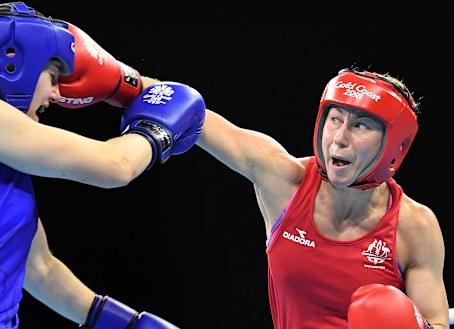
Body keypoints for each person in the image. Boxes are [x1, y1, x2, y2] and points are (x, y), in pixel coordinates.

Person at [0, 2, 206, 329]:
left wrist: (128, 324)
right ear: (14, 62)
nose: (56, 94)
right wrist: (158, 129)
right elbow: (115, 165)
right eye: (52, 76)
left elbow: (40, 269)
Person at [191, 68, 449, 328]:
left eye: (360, 125)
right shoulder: (286, 182)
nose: (339, 138)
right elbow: (188, 113)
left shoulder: (415, 226)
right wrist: (148, 86)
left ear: (394, 143)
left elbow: (437, 322)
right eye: (335, 119)